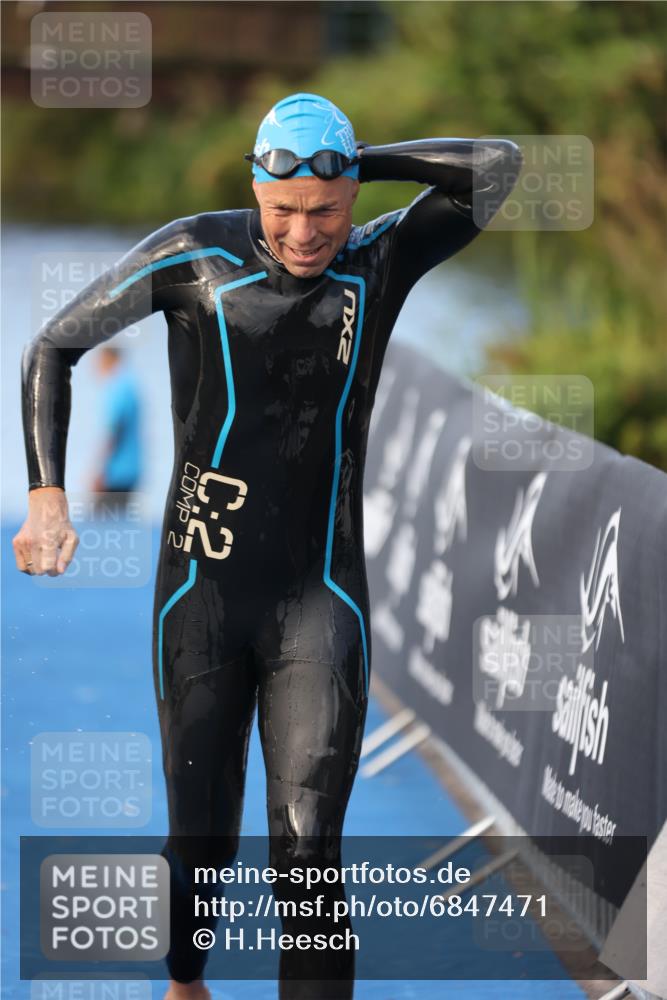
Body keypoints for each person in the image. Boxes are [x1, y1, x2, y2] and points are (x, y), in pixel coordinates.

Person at [13, 93, 523, 998]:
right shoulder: (192, 255)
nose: (302, 233)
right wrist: (47, 494)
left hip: (319, 597)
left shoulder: (380, 258)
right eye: (282, 210)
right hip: (197, 598)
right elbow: (53, 347)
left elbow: (499, 167)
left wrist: (364, 159)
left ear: (352, 201)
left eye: (325, 212)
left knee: (308, 853)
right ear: (254, 189)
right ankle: (186, 982)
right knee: (199, 847)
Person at [90, 345, 142, 506]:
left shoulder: (118, 387)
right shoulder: (129, 385)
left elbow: (114, 432)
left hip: (116, 472)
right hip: (131, 468)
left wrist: (100, 471)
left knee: (101, 525)